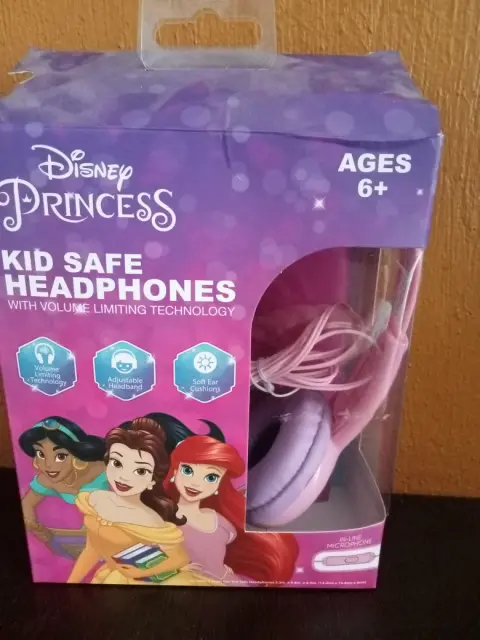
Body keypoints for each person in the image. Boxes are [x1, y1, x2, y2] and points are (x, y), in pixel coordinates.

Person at [67, 417, 216, 586]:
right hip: (111, 577)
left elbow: (179, 558)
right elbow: (92, 550)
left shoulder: (150, 519)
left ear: (153, 480)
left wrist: (139, 572)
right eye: (117, 463)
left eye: (140, 471)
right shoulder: (95, 499)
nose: (124, 476)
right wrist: (72, 582)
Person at [165, 435, 299, 586]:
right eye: (188, 470)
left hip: (229, 583)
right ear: (175, 471)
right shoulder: (163, 519)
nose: (196, 483)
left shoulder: (220, 521)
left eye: (211, 477)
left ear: (219, 484)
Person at [19, 417, 107, 548]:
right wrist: (33, 525)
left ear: (76, 453)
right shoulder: (46, 479)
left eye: (60, 456)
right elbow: (27, 503)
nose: (48, 465)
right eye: (41, 454)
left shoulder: (103, 471)